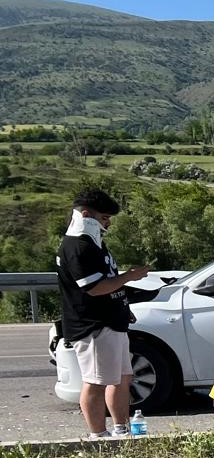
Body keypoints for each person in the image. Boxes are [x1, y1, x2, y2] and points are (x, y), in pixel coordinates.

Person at [55, 187, 150, 439]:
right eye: (104, 218)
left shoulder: (95, 244)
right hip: (93, 325)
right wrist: (131, 276)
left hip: (113, 321)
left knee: (122, 378)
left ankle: (121, 428)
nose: (107, 224)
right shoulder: (77, 246)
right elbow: (95, 288)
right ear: (86, 214)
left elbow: (109, 282)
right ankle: (98, 434)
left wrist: (123, 307)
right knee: (96, 381)